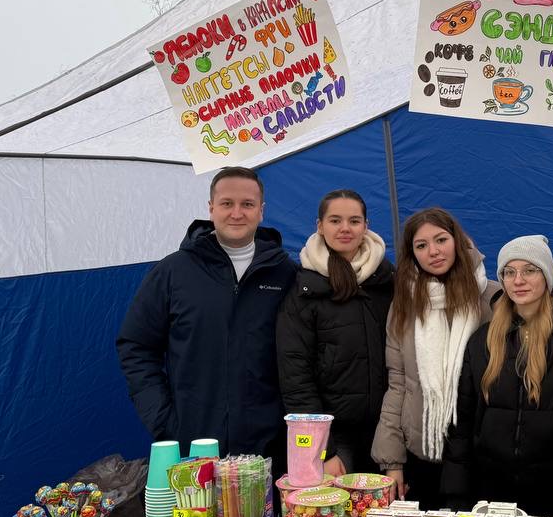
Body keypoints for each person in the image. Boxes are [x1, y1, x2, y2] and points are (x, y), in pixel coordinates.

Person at [117, 166, 296, 457]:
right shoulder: (173, 272)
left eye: (247, 204)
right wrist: (165, 421)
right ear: (211, 208)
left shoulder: (285, 273)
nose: (237, 213)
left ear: (261, 211)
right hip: (194, 448)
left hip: (267, 452)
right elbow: (136, 346)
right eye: (227, 203)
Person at [441, 236, 553, 517]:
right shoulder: (482, 340)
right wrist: (456, 491)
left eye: (529, 270)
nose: (518, 280)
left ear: (546, 275)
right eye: (509, 272)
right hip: (492, 489)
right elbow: (462, 420)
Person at [372, 208, 500, 505]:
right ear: (411, 253)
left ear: (457, 240)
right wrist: (392, 461)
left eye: (441, 239)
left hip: (479, 452)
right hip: (423, 450)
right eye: (421, 245)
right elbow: (398, 383)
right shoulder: (404, 305)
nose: (433, 251)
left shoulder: (493, 298)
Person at [276, 190, 395, 476]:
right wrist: (323, 449)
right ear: (320, 225)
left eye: (354, 221)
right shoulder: (304, 289)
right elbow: (295, 375)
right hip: (334, 440)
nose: (345, 228)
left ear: (366, 226)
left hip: (384, 432)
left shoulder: (388, 280)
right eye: (335, 220)